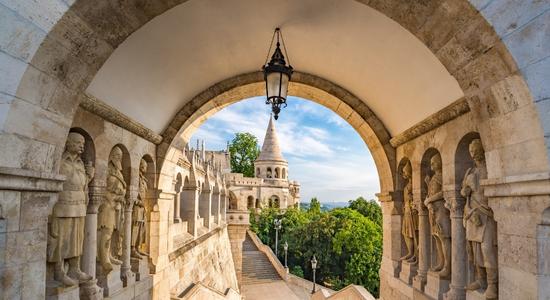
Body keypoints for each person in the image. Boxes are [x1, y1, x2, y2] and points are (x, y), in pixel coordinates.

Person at [48, 132, 93, 285]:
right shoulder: (60, 160)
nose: (82, 146)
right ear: (68, 143)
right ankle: (59, 271)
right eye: (78, 142)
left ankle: (75, 268)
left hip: (79, 205)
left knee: (77, 238)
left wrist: (89, 177)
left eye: (83, 143)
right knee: (61, 239)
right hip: (64, 205)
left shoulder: (80, 163)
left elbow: (81, 183)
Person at [461, 139, 498, 299]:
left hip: (486, 214)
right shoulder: (469, 171)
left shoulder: (490, 168)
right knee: (473, 251)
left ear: (483, 150)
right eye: (471, 151)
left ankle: (493, 285)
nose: (473, 153)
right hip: (472, 215)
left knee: (487, 251)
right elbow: (463, 192)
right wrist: (465, 192)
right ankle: (480, 279)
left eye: (476, 150)